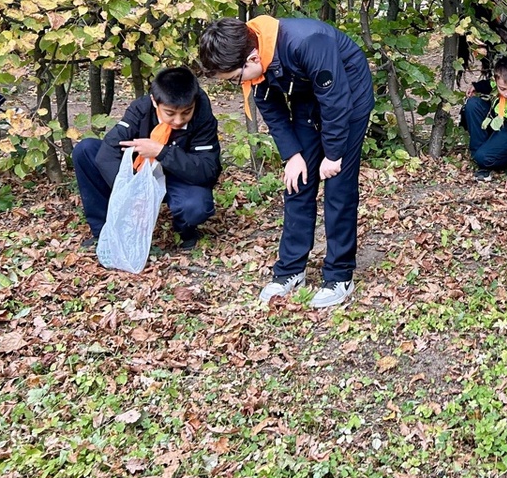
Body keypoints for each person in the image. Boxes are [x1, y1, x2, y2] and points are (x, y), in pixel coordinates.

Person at [199, 16, 374, 308]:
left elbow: (335, 102)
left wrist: (332, 155)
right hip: (308, 95)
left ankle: (339, 275)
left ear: (252, 58)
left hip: (348, 98)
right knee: (297, 182)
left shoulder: (307, 41)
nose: (237, 84)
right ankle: (291, 269)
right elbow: (272, 107)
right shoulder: (256, 56)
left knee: (338, 186)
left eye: (234, 79)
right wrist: (293, 155)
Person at [73, 66, 221, 251]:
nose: (178, 120)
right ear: (154, 101)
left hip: (179, 176)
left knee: (196, 206)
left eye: (185, 113)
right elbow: (107, 152)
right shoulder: (140, 109)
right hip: (141, 171)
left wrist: (162, 152)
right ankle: (104, 231)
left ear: (194, 103)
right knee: (85, 150)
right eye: (170, 113)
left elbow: (208, 170)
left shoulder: (203, 117)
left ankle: (186, 232)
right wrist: (131, 194)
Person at [460, 55, 507, 189]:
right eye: (503, 89)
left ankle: (493, 158)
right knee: (473, 104)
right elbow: (491, 85)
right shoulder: (500, 82)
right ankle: (481, 156)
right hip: (498, 118)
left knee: (484, 157)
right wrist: (476, 86)